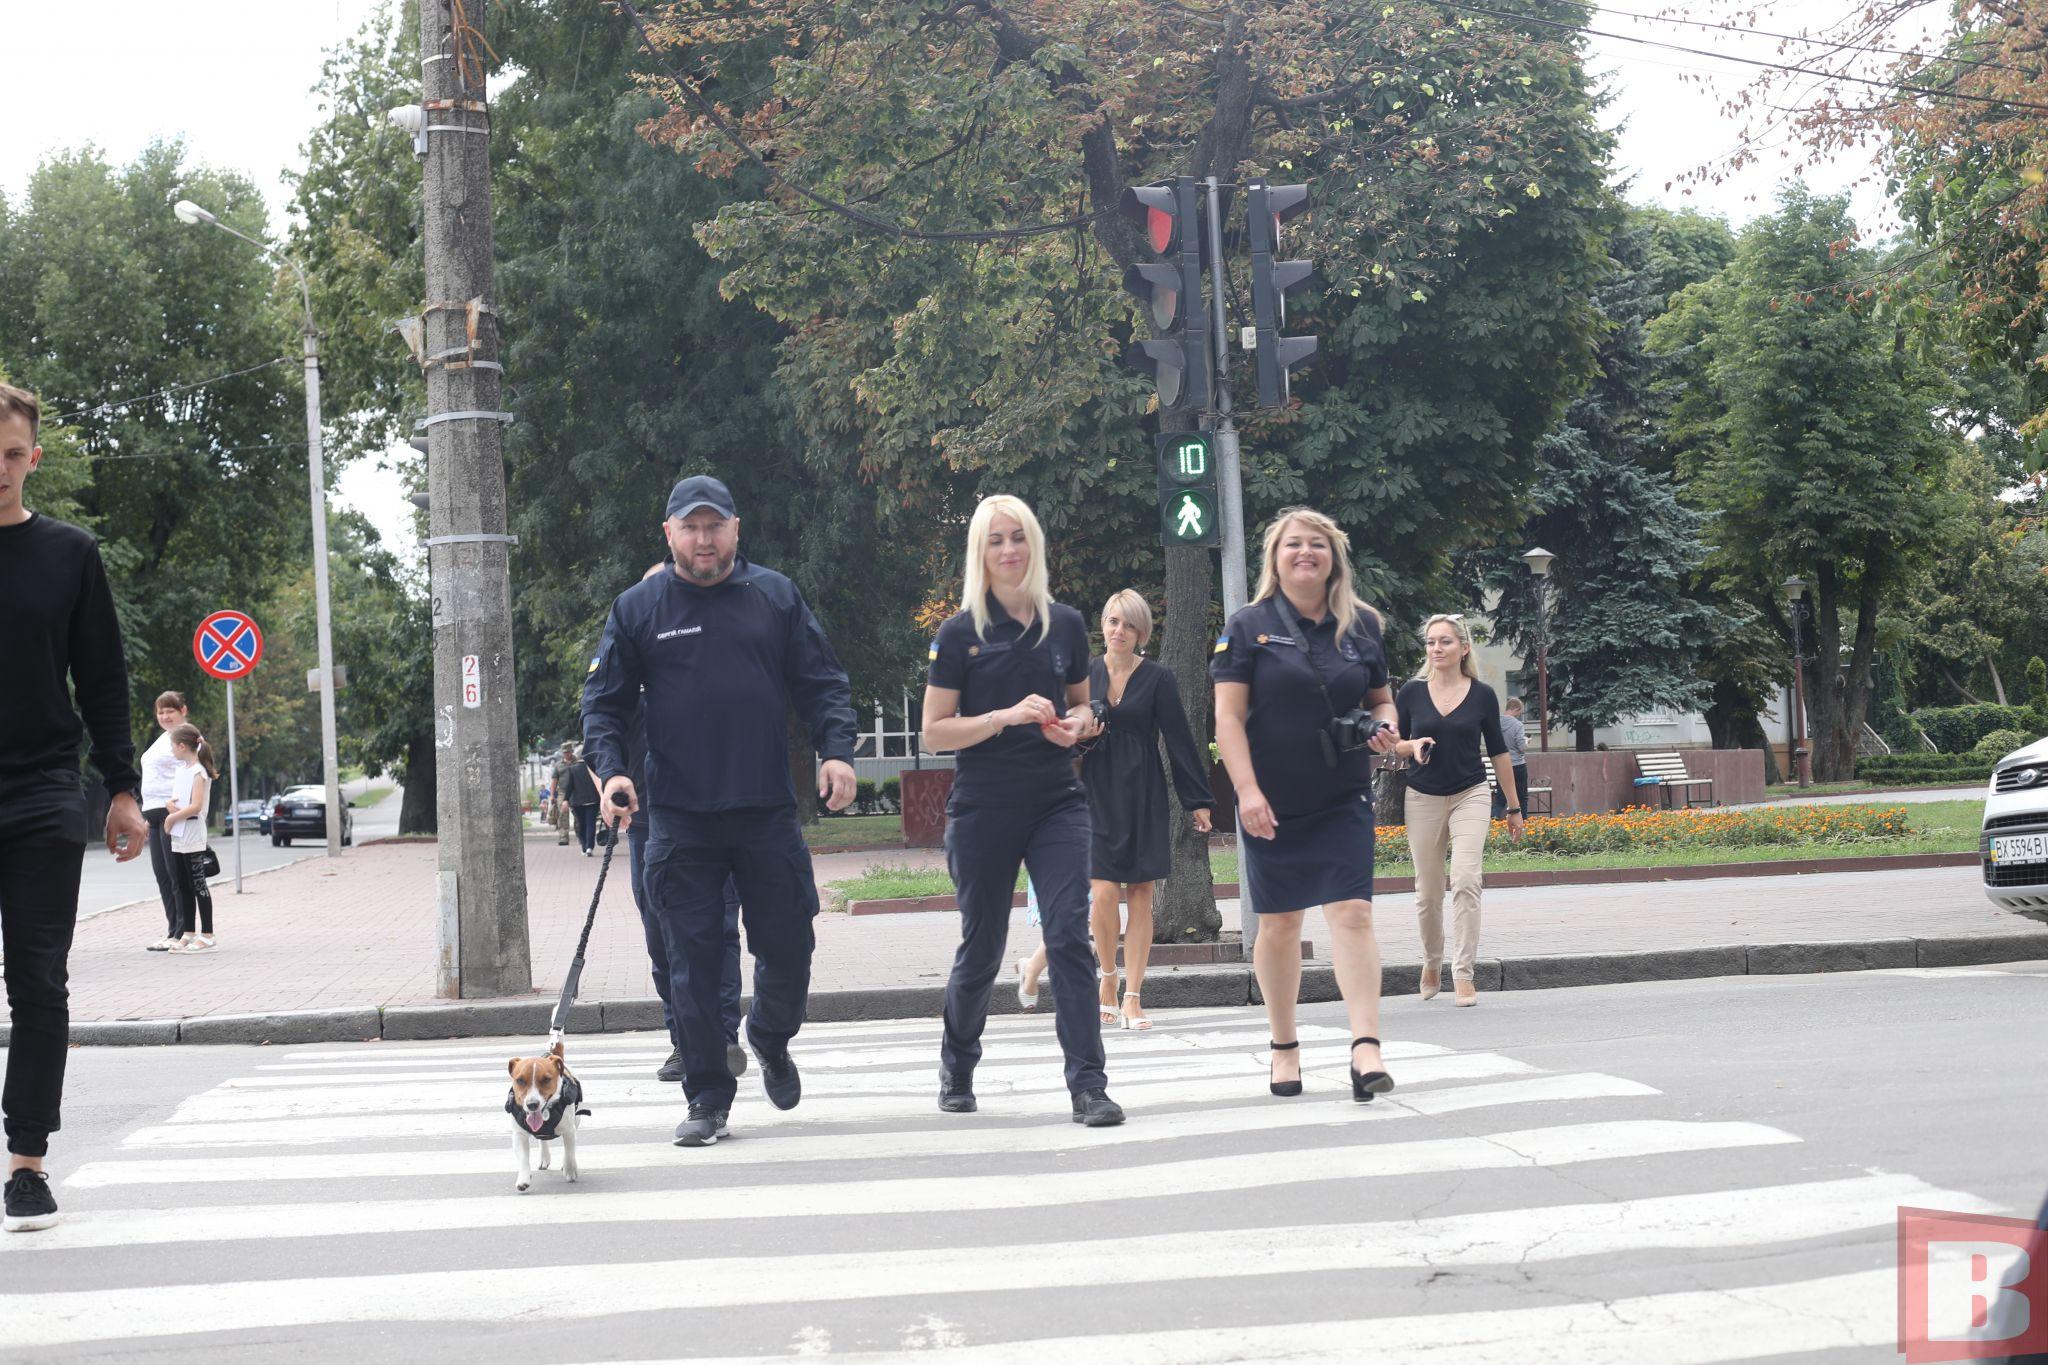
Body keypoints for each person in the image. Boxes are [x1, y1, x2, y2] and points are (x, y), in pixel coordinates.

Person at [583, 474, 857, 1148]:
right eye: (691, 526)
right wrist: (613, 772)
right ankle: (707, 1095)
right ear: (669, 533)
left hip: (765, 808)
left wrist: (838, 751)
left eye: (716, 525)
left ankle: (769, 1031)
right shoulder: (639, 607)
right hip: (678, 817)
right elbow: (604, 704)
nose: (704, 538)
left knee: (790, 941)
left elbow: (822, 682)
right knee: (695, 964)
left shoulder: (775, 596)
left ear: (736, 528)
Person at [922, 494, 1123, 1127]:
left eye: (1019, 538)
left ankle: (1088, 1086)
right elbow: (934, 732)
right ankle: (958, 1062)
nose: (1009, 550)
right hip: (983, 805)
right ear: (980, 553)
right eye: (996, 540)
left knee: (1068, 934)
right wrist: (1005, 717)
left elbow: (1087, 709)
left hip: (1056, 801)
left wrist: (1077, 727)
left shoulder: (1064, 623)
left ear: (1034, 545)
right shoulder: (959, 634)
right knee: (983, 945)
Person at [0, 382, 148, 1233]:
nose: (2, 469)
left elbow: (101, 677)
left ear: (35, 458)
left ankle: (26, 1162)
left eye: (14, 454)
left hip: (43, 792)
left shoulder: (69, 554)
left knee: (38, 982)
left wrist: (121, 788)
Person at [1212, 507, 1402, 1103]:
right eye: (1293, 544)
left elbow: (1384, 703)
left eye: (1317, 544)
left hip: (1342, 795)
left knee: (1353, 913)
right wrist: (1246, 791)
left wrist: (1383, 729)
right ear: (1275, 557)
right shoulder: (1247, 627)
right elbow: (1227, 718)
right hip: (1271, 801)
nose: (1305, 553)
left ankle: (1365, 1045)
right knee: (1279, 924)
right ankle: (1284, 1045)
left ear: (1334, 557)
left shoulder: (1363, 625)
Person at [1020, 590, 1213, 1030]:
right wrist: (1078, 735)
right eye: (1111, 622)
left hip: (1143, 792)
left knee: (1142, 896)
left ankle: (1134, 995)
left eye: (1127, 624)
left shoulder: (1158, 678)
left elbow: (1180, 740)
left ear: (1140, 631)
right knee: (1103, 893)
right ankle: (1107, 980)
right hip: (1093, 792)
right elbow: (1056, 731)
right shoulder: (1084, 674)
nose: (1118, 631)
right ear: (1102, 627)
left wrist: (1197, 800)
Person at [619, 561, 746, 1087]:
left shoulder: (708, 670)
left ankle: (724, 1035)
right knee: (662, 939)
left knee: (720, 931)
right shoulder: (626, 678)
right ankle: (683, 1042)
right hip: (648, 826)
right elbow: (601, 735)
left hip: (718, 822)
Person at [1394, 613, 1525, 1008]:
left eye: (1445, 641)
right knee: (1428, 891)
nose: (1437, 648)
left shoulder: (1482, 694)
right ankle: (1431, 963)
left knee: (1466, 879)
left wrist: (1514, 806)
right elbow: (1393, 743)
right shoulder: (1411, 693)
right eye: (1432, 642)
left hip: (1471, 793)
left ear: (1463, 648)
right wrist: (1411, 746)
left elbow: (1499, 753)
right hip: (1422, 798)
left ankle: (1463, 973)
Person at [137, 691, 190, 951]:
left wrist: (180, 807)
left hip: (173, 815)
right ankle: (173, 930)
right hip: (154, 815)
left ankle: (183, 932)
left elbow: (194, 772)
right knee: (163, 875)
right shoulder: (163, 739)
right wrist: (146, 817)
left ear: (183, 711)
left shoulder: (188, 738)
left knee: (176, 874)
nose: (165, 716)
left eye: (170, 711)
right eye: (161, 712)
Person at [161, 724, 217, 953]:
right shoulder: (182, 770)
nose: (172, 750)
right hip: (179, 833)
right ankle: (188, 932)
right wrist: (170, 805)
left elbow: (195, 806)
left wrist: (170, 819)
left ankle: (208, 933)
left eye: (173, 746)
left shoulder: (198, 772)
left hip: (192, 833)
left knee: (198, 884)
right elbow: (180, 799)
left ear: (182, 746)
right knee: (182, 884)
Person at [1491, 696, 1529, 821]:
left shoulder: (1495, 723)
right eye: (1519, 712)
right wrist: (1526, 741)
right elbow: (1521, 747)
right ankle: (1523, 822)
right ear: (1515, 709)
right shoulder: (1517, 725)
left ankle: (1494, 818)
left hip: (1501, 765)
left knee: (1501, 796)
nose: (1519, 715)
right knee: (1521, 796)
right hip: (1518, 765)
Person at [560, 745, 601, 855]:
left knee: (581, 824)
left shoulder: (572, 769)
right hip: (593, 800)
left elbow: (570, 786)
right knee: (591, 824)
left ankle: (584, 845)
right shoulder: (594, 768)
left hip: (578, 802)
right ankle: (589, 847)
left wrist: (565, 800)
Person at [549, 743, 576, 845]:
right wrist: (552, 795)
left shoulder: (578, 762)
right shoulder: (558, 765)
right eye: (564, 753)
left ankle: (581, 835)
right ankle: (563, 837)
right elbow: (554, 781)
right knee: (563, 815)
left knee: (578, 815)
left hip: (576, 792)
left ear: (571, 751)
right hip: (562, 793)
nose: (567, 754)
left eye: (568, 752)